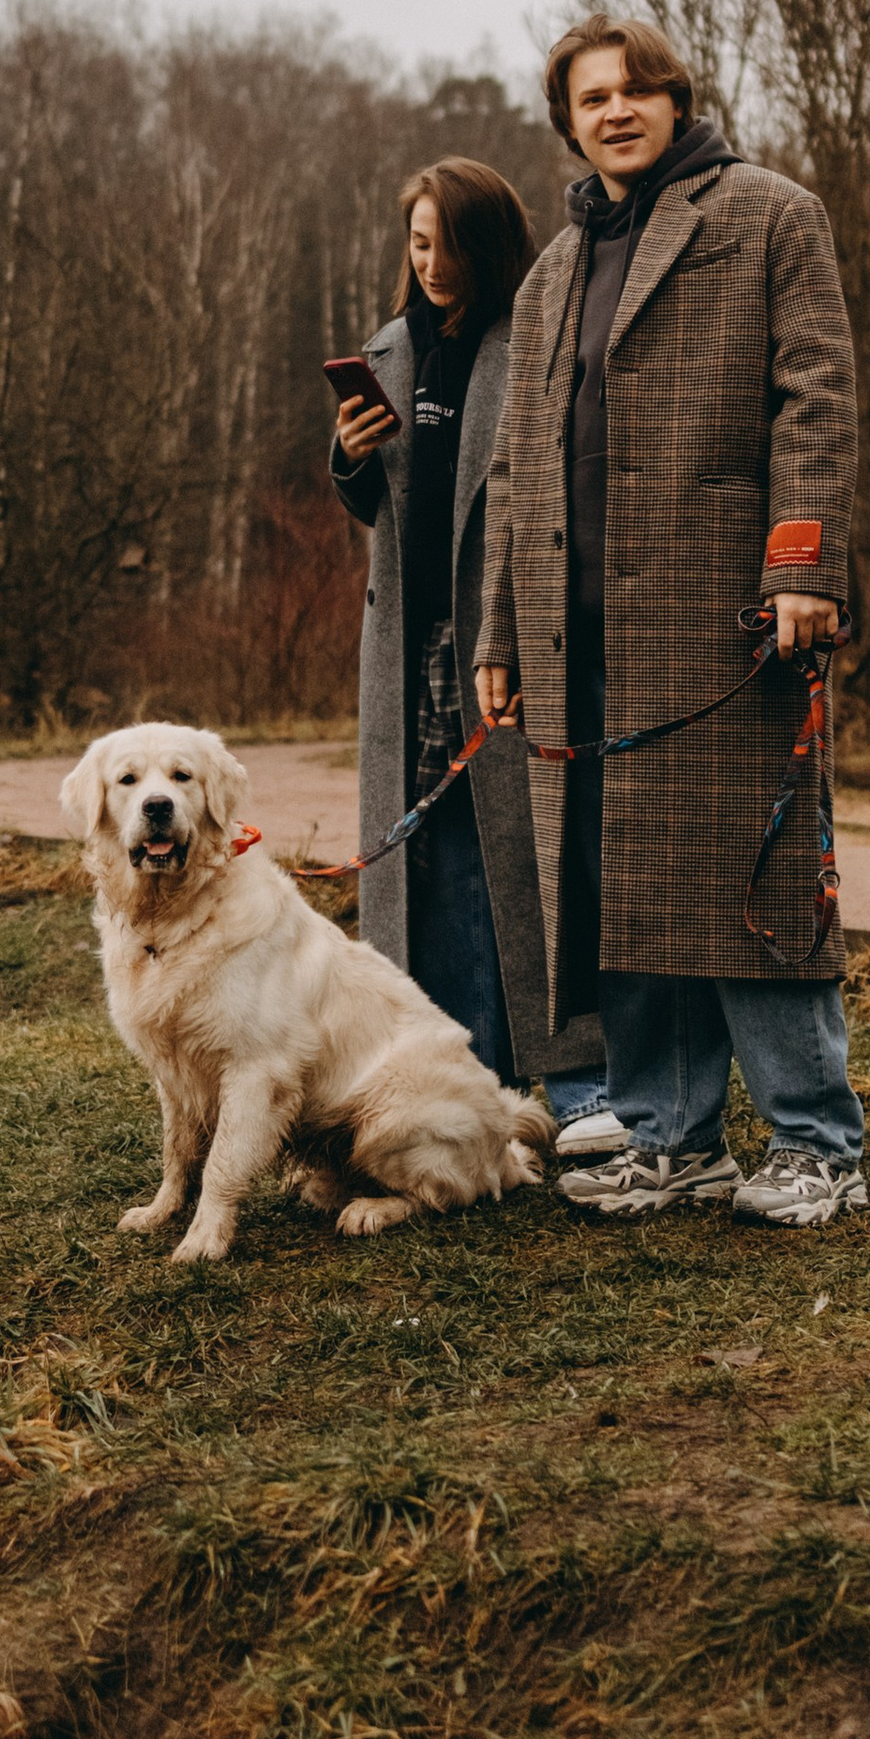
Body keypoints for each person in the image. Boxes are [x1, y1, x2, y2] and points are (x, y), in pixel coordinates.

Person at [476, 20, 866, 1226]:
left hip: (726, 625)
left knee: (755, 884)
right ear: (569, 122)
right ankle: (671, 1139)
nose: (616, 111)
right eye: (592, 98)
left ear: (675, 100)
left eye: (636, 90)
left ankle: (816, 1146)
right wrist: (500, 635)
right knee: (623, 897)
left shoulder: (768, 214)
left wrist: (801, 564)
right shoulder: (555, 267)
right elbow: (515, 463)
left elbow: (817, 393)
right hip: (578, 641)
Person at [330, 158, 590, 1110]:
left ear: (493, 246)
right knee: (423, 852)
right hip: (409, 645)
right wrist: (348, 456)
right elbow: (379, 507)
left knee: (503, 852)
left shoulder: (531, 343)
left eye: (452, 246)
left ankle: (522, 1073)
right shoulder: (392, 349)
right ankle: (427, 1075)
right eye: (419, 244)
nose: (433, 265)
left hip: (502, 635)